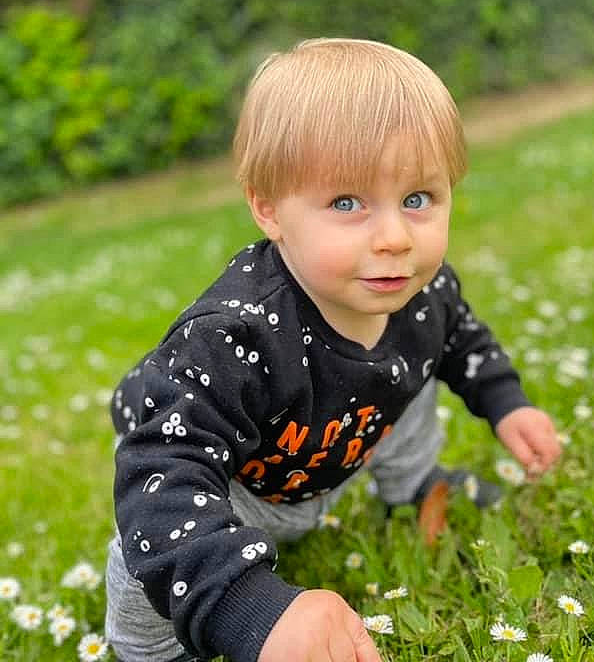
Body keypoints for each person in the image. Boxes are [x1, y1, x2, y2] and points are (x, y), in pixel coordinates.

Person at [105, 38, 562, 662]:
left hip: (338, 441)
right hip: (240, 481)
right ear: (269, 208)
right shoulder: (232, 337)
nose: (395, 238)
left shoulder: (422, 293)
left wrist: (506, 403)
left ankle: (414, 485)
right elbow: (164, 468)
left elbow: (461, 339)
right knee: (155, 535)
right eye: (347, 203)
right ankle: (153, 653)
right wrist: (248, 607)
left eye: (418, 199)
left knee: (414, 368)